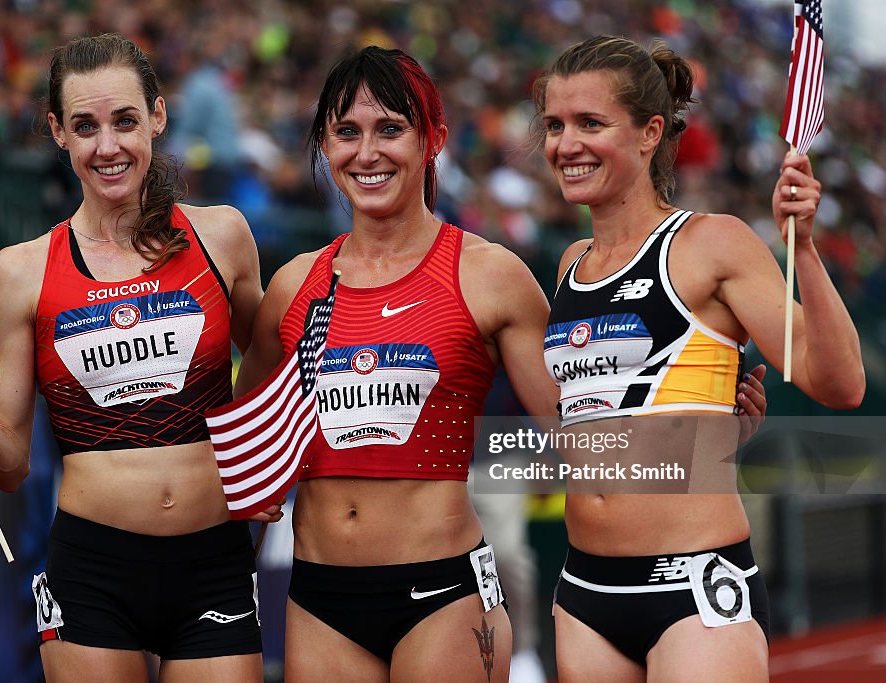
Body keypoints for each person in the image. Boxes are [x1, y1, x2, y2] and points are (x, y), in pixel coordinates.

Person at [235, 44, 771, 682]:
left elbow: (577, 430)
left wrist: (708, 438)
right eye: (346, 132)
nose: (367, 153)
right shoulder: (295, 285)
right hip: (318, 598)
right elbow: (244, 420)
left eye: (390, 129)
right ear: (324, 145)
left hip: (442, 596)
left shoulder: (493, 277)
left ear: (433, 138)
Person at [0, 33, 277, 683]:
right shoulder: (19, 272)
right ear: (57, 132)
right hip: (91, 571)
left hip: (213, 561)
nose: (108, 146)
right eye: (85, 126)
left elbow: (273, 382)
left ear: (157, 117)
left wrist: (265, 474)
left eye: (125, 121)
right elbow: (11, 466)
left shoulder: (224, 237)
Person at [534, 35, 865, 682]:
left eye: (589, 123)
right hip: (584, 589)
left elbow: (841, 383)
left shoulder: (712, 242)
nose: (564, 143)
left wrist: (804, 251)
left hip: (693, 583)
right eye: (554, 124)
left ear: (649, 132)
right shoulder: (571, 265)